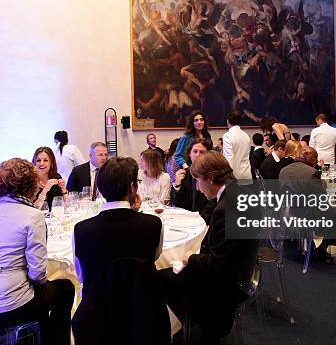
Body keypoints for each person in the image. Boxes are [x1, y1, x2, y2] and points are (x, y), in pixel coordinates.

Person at [0, 158, 74, 345]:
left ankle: (34, 335)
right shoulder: (32, 216)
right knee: (65, 287)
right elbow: (37, 274)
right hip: (10, 306)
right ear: (31, 185)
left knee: (38, 292)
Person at [159, 152, 259, 342]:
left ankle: (183, 327)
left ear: (211, 178)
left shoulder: (226, 208)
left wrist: (191, 258)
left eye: (197, 181)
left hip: (225, 286)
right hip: (242, 273)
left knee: (157, 278)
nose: (197, 187)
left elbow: (218, 265)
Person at [72, 157, 169, 343]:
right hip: (144, 311)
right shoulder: (153, 224)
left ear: (99, 188)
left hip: (98, 317)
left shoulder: (81, 229)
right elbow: (152, 259)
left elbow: (81, 276)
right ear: (133, 188)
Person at [171, 138, 213, 216]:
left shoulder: (212, 174)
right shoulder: (185, 174)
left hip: (205, 220)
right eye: (195, 151)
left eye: (202, 152)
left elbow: (213, 203)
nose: (198, 155)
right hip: (187, 220)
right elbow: (176, 204)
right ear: (189, 154)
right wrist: (177, 185)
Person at [222, 110, 252, 179]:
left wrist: (227, 177)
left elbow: (228, 158)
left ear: (227, 121)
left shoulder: (227, 136)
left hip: (234, 176)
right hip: (247, 175)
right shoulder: (246, 135)